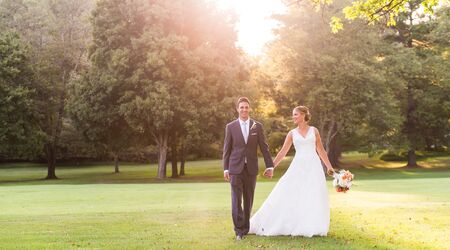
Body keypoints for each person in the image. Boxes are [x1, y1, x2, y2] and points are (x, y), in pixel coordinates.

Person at [249, 105, 335, 237]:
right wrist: (272, 167)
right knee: (289, 191)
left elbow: (321, 150)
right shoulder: (292, 133)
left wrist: (329, 167)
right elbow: (283, 152)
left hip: (313, 166)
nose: (293, 117)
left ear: (303, 115)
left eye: (295, 114)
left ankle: (311, 225)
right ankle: (284, 223)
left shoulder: (314, 131)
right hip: (298, 166)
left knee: (313, 194)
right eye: (293, 114)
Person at [222, 97, 274, 240]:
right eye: (241, 107)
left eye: (246, 107)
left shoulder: (257, 126)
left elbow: (264, 147)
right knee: (236, 199)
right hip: (235, 168)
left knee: (248, 199)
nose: (244, 109)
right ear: (237, 109)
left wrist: (270, 165)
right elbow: (226, 149)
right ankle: (238, 231)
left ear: (249, 108)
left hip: (251, 168)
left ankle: (245, 227)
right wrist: (225, 168)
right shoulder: (230, 127)